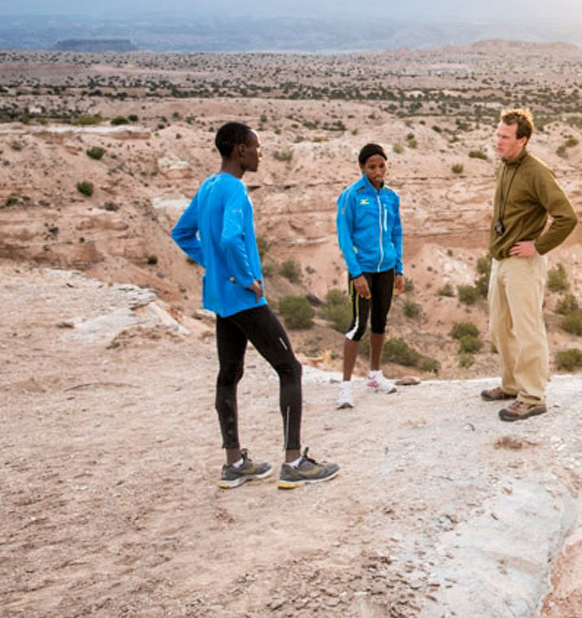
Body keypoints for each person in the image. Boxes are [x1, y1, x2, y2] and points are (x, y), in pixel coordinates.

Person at [171, 121, 339, 489]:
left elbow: (181, 233)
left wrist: (213, 263)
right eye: (256, 146)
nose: (260, 153)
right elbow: (231, 237)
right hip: (243, 297)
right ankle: (294, 463)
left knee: (228, 375)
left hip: (220, 296)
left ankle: (234, 464)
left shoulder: (208, 186)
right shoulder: (234, 190)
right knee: (290, 369)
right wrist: (246, 276)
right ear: (239, 151)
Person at [482, 107, 577, 421]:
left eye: (505, 137)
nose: (498, 141)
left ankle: (533, 396)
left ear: (522, 140)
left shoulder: (537, 171)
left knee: (527, 330)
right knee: (499, 327)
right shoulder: (506, 166)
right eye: (498, 134)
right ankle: (511, 386)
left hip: (524, 263)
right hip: (501, 261)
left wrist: (538, 245)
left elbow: (567, 216)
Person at [334, 143, 406, 409]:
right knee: (357, 325)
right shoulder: (351, 196)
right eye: (372, 167)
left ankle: (375, 375)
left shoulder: (391, 197)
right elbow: (345, 236)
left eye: (381, 166)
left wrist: (399, 268)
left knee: (380, 321)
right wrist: (356, 274)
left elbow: (396, 233)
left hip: (386, 268)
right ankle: (345, 387)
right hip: (362, 271)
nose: (378, 171)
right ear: (362, 168)